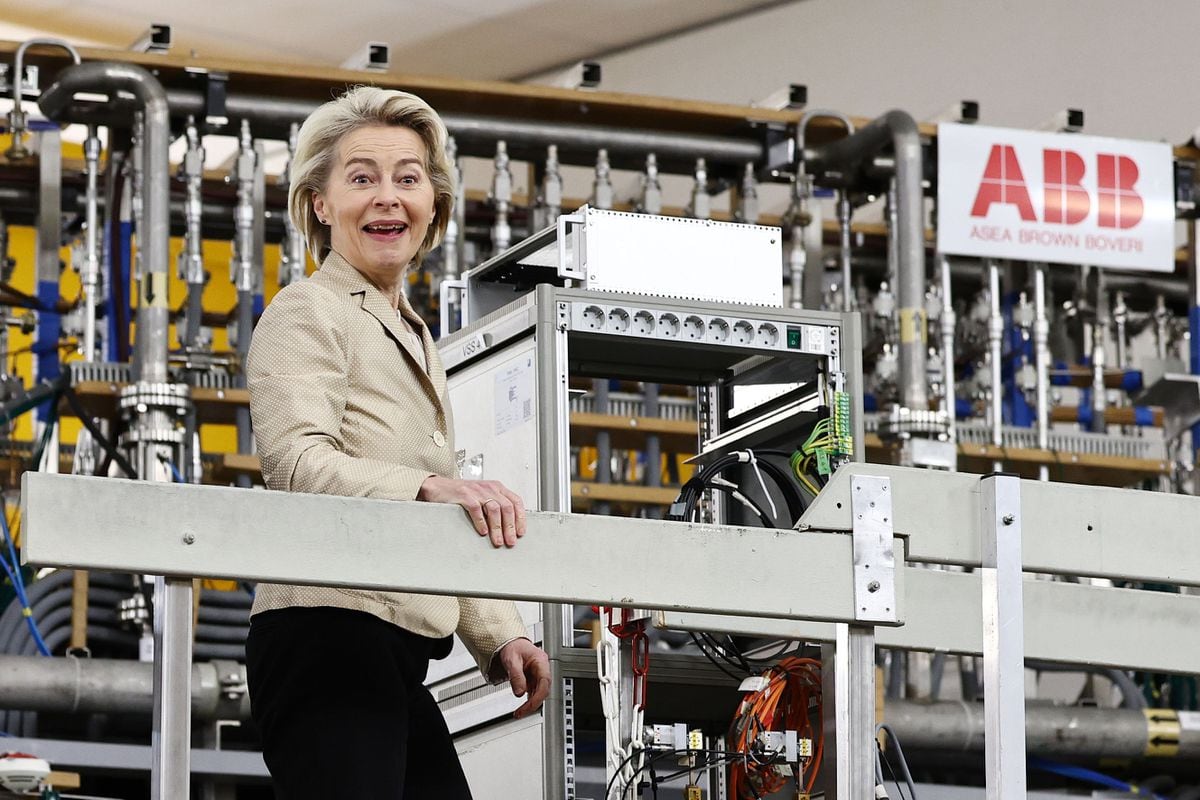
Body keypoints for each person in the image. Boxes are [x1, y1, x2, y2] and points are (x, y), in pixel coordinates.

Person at [244, 85, 550, 799]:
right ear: (320, 204)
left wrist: (499, 633)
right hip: (324, 636)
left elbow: (437, 517)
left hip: (389, 652)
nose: (389, 197)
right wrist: (426, 486)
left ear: (433, 203)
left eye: (408, 178)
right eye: (362, 178)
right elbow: (296, 462)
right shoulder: (308, 309)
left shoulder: (412, 332)